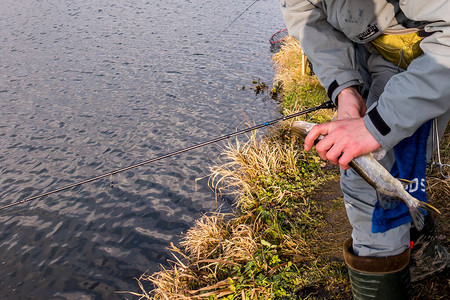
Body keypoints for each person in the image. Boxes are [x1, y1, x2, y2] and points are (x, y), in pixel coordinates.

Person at [280, 1, 450, 299]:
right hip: (372, 50)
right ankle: (423, 252)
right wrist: (345, 92)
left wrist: (376, 127)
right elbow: (310, 20)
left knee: (369, 186)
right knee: (397, 171)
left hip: (430, 54)